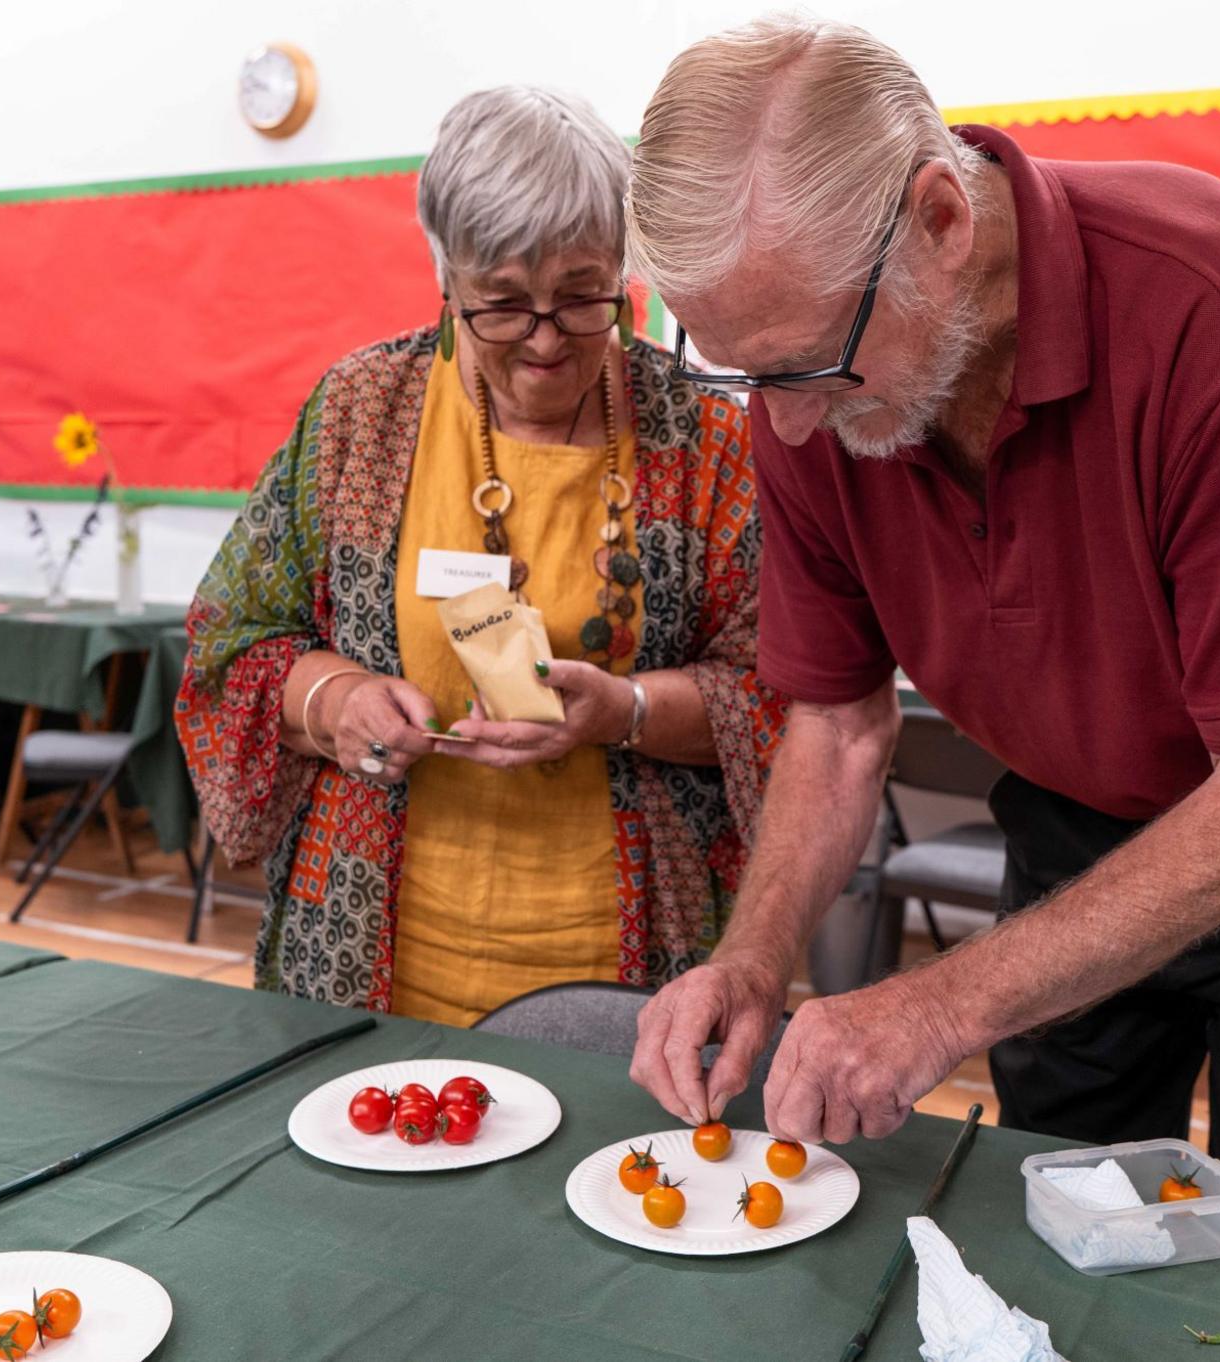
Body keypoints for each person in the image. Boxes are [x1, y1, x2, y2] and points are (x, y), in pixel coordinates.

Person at [623, 18, 1220, 1198]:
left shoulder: (1211, 304)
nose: (790, 425)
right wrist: (755, 960)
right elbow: (837, 721)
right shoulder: (807, 379)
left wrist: (934, 1006)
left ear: (940, 220)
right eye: (742, 372)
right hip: (1077, 819)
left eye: (805, 368)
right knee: (1062, 1204)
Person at [179, 86, 785, 1024]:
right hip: (365, 953)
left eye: (585, 296)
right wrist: (337, 702)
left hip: (630, 972)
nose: (545, 340)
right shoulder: (360, 414)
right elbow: (231, 642)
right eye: (501, 304)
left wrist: (624, 710)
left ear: (627, 270)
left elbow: (786, 698)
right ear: (446, 281)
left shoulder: (703, 441)